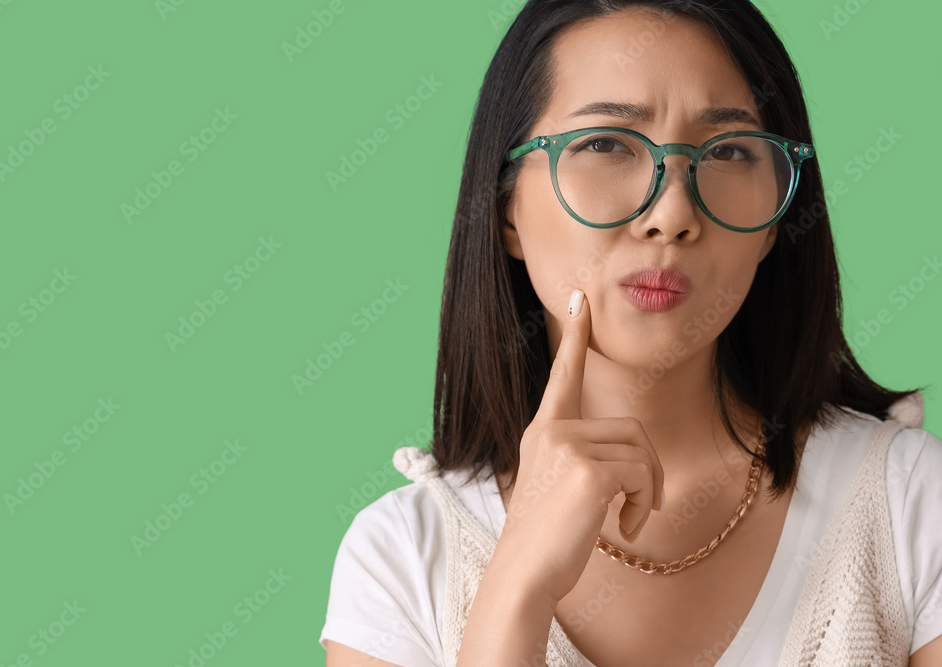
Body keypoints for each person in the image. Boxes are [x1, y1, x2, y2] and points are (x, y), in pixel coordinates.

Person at [320, 1, 942, 665]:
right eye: (606, 144)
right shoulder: (403, 561)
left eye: (729, 150)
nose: (672, 212)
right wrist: (515, 590)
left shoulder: (908, 504)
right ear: (505, 206)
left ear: (771, 221)